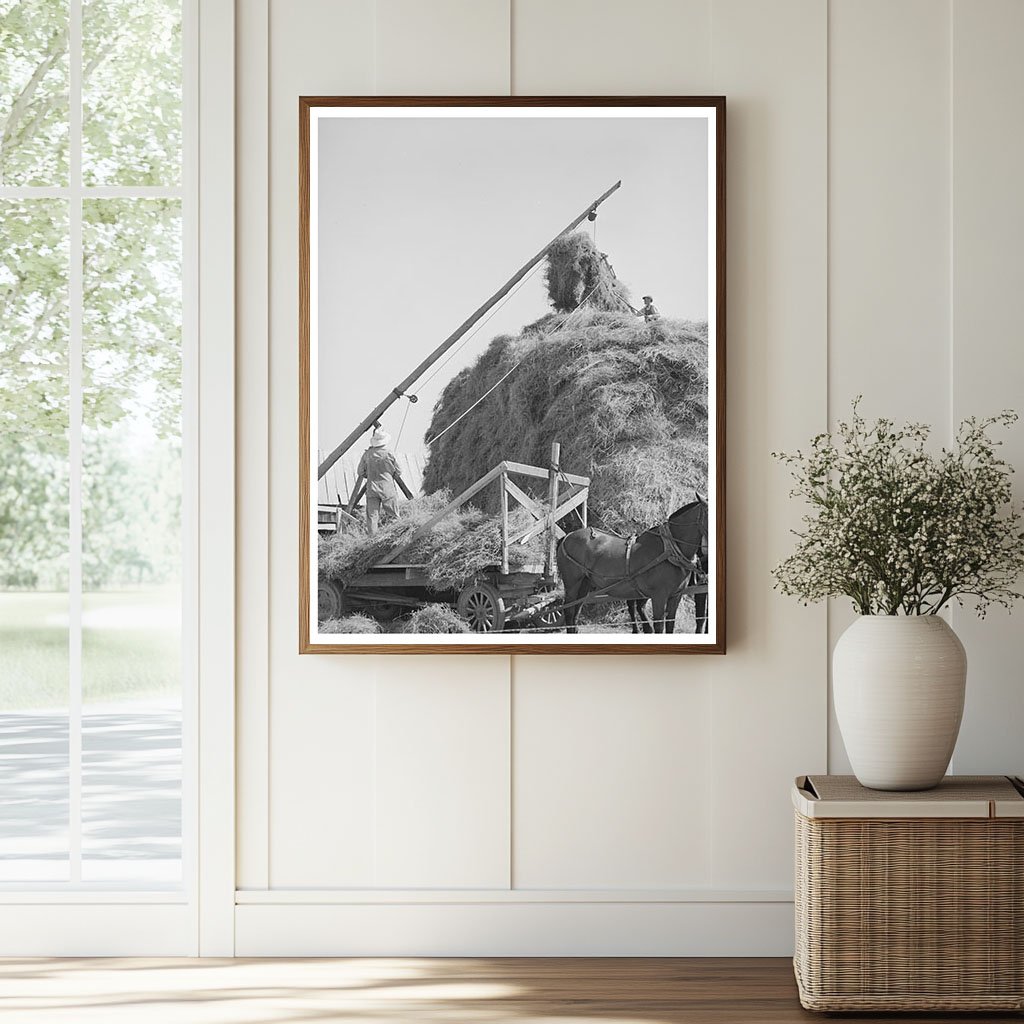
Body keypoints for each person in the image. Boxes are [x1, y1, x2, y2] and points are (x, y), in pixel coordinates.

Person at [357, 429, 413, 534]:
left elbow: (360, 471)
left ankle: (372, 540)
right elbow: (399, 471)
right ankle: (395, 536)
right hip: (387, 488)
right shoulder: (389, 453)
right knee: (392, 515)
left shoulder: (367, 454)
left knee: (372, 517)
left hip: (372, 488)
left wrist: (369, 475)